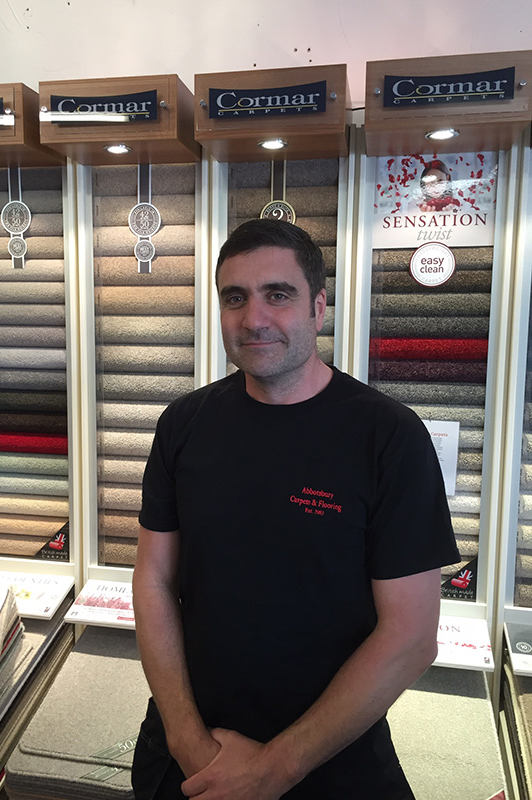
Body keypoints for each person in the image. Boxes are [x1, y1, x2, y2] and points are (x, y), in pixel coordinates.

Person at [132, 218, 460, 799]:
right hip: (190, 758)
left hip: (330, 763)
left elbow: (411, 635)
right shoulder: (183, 424)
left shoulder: (387, 436)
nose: (253, 318)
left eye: (278, 295)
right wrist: (187, 741)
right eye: (235, 298)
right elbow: (153, 579)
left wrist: (272, 770)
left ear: (318, 308)